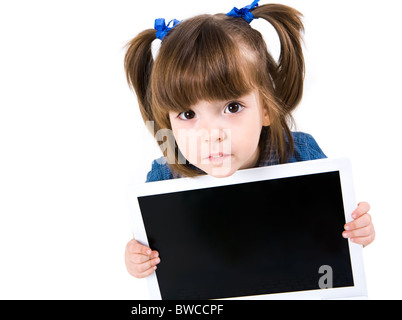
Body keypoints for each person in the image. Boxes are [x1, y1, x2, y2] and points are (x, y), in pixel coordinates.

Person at [123, 0, 375, 279]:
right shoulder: (164, 176)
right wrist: (137, 258)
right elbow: (151, 248)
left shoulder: (299, 152)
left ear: (265, 108)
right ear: (167, 121)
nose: (211, 134)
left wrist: (357, 230)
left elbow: (333, 230)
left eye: (232, 108)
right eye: (187, 113)